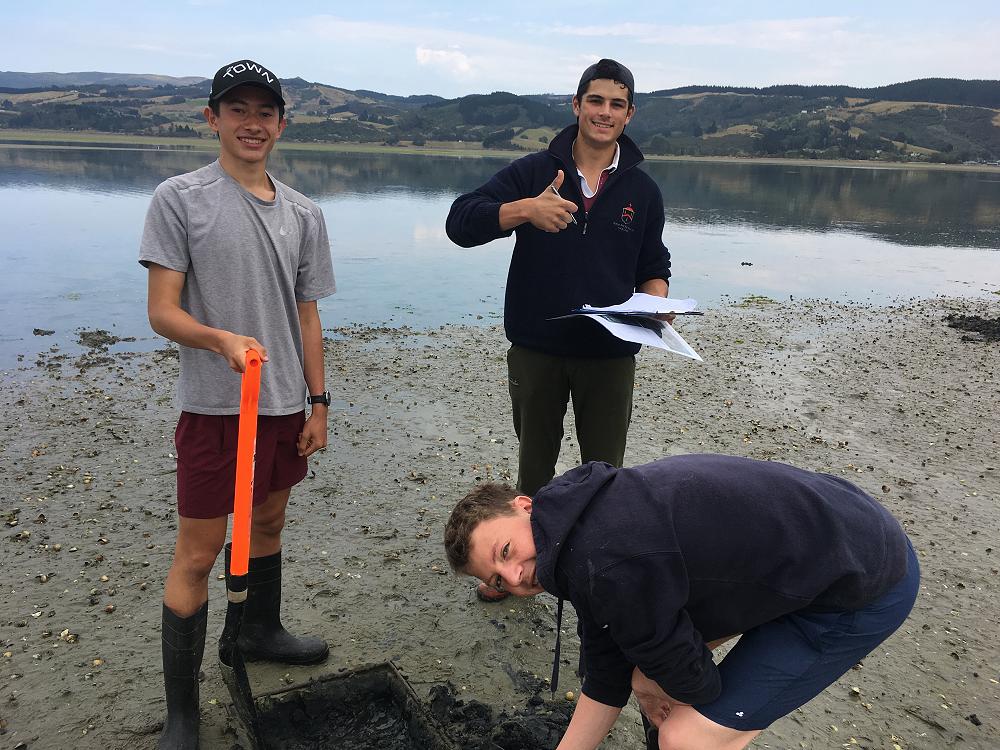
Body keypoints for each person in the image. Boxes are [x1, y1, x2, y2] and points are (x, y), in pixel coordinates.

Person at [444, 454, 920, 750]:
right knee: (645, 671)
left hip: (860, 582)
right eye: (498, 580)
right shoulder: (577, 526)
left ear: (524, 506)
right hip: (834, 527)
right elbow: (606, 669)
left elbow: (698, 684)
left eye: (504, 552)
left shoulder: (606, 563)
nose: (514, 577)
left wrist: (655, 683)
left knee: (685, 737)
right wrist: (648, 675)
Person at [139, 59, 337, 749]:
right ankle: (183, 712)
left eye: (265, 112)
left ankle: (259, 630)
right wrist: (217, 337)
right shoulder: (180, 198)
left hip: (283, 405)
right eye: (238, 110)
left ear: (282, 124)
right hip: (214, 406)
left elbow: (306, 317)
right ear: (213, 119)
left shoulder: (305, 213)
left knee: (271, 517)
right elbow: (162, 311)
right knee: (198, 552)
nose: (253, 124)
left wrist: (319, 402)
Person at [445, 59, 671, 602]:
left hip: (611, 353)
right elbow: (460, 221)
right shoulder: (534, 170)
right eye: (596, 101)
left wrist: (656, 302)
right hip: (537, 349)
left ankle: (600, 567)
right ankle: (521, 564)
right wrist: (524, 210)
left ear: (629, 114)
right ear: (577, 105)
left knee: (605, 472)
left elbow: (653, 261)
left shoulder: (643, 188)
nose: (605, 112)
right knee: (535, 468)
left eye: (617, 104)